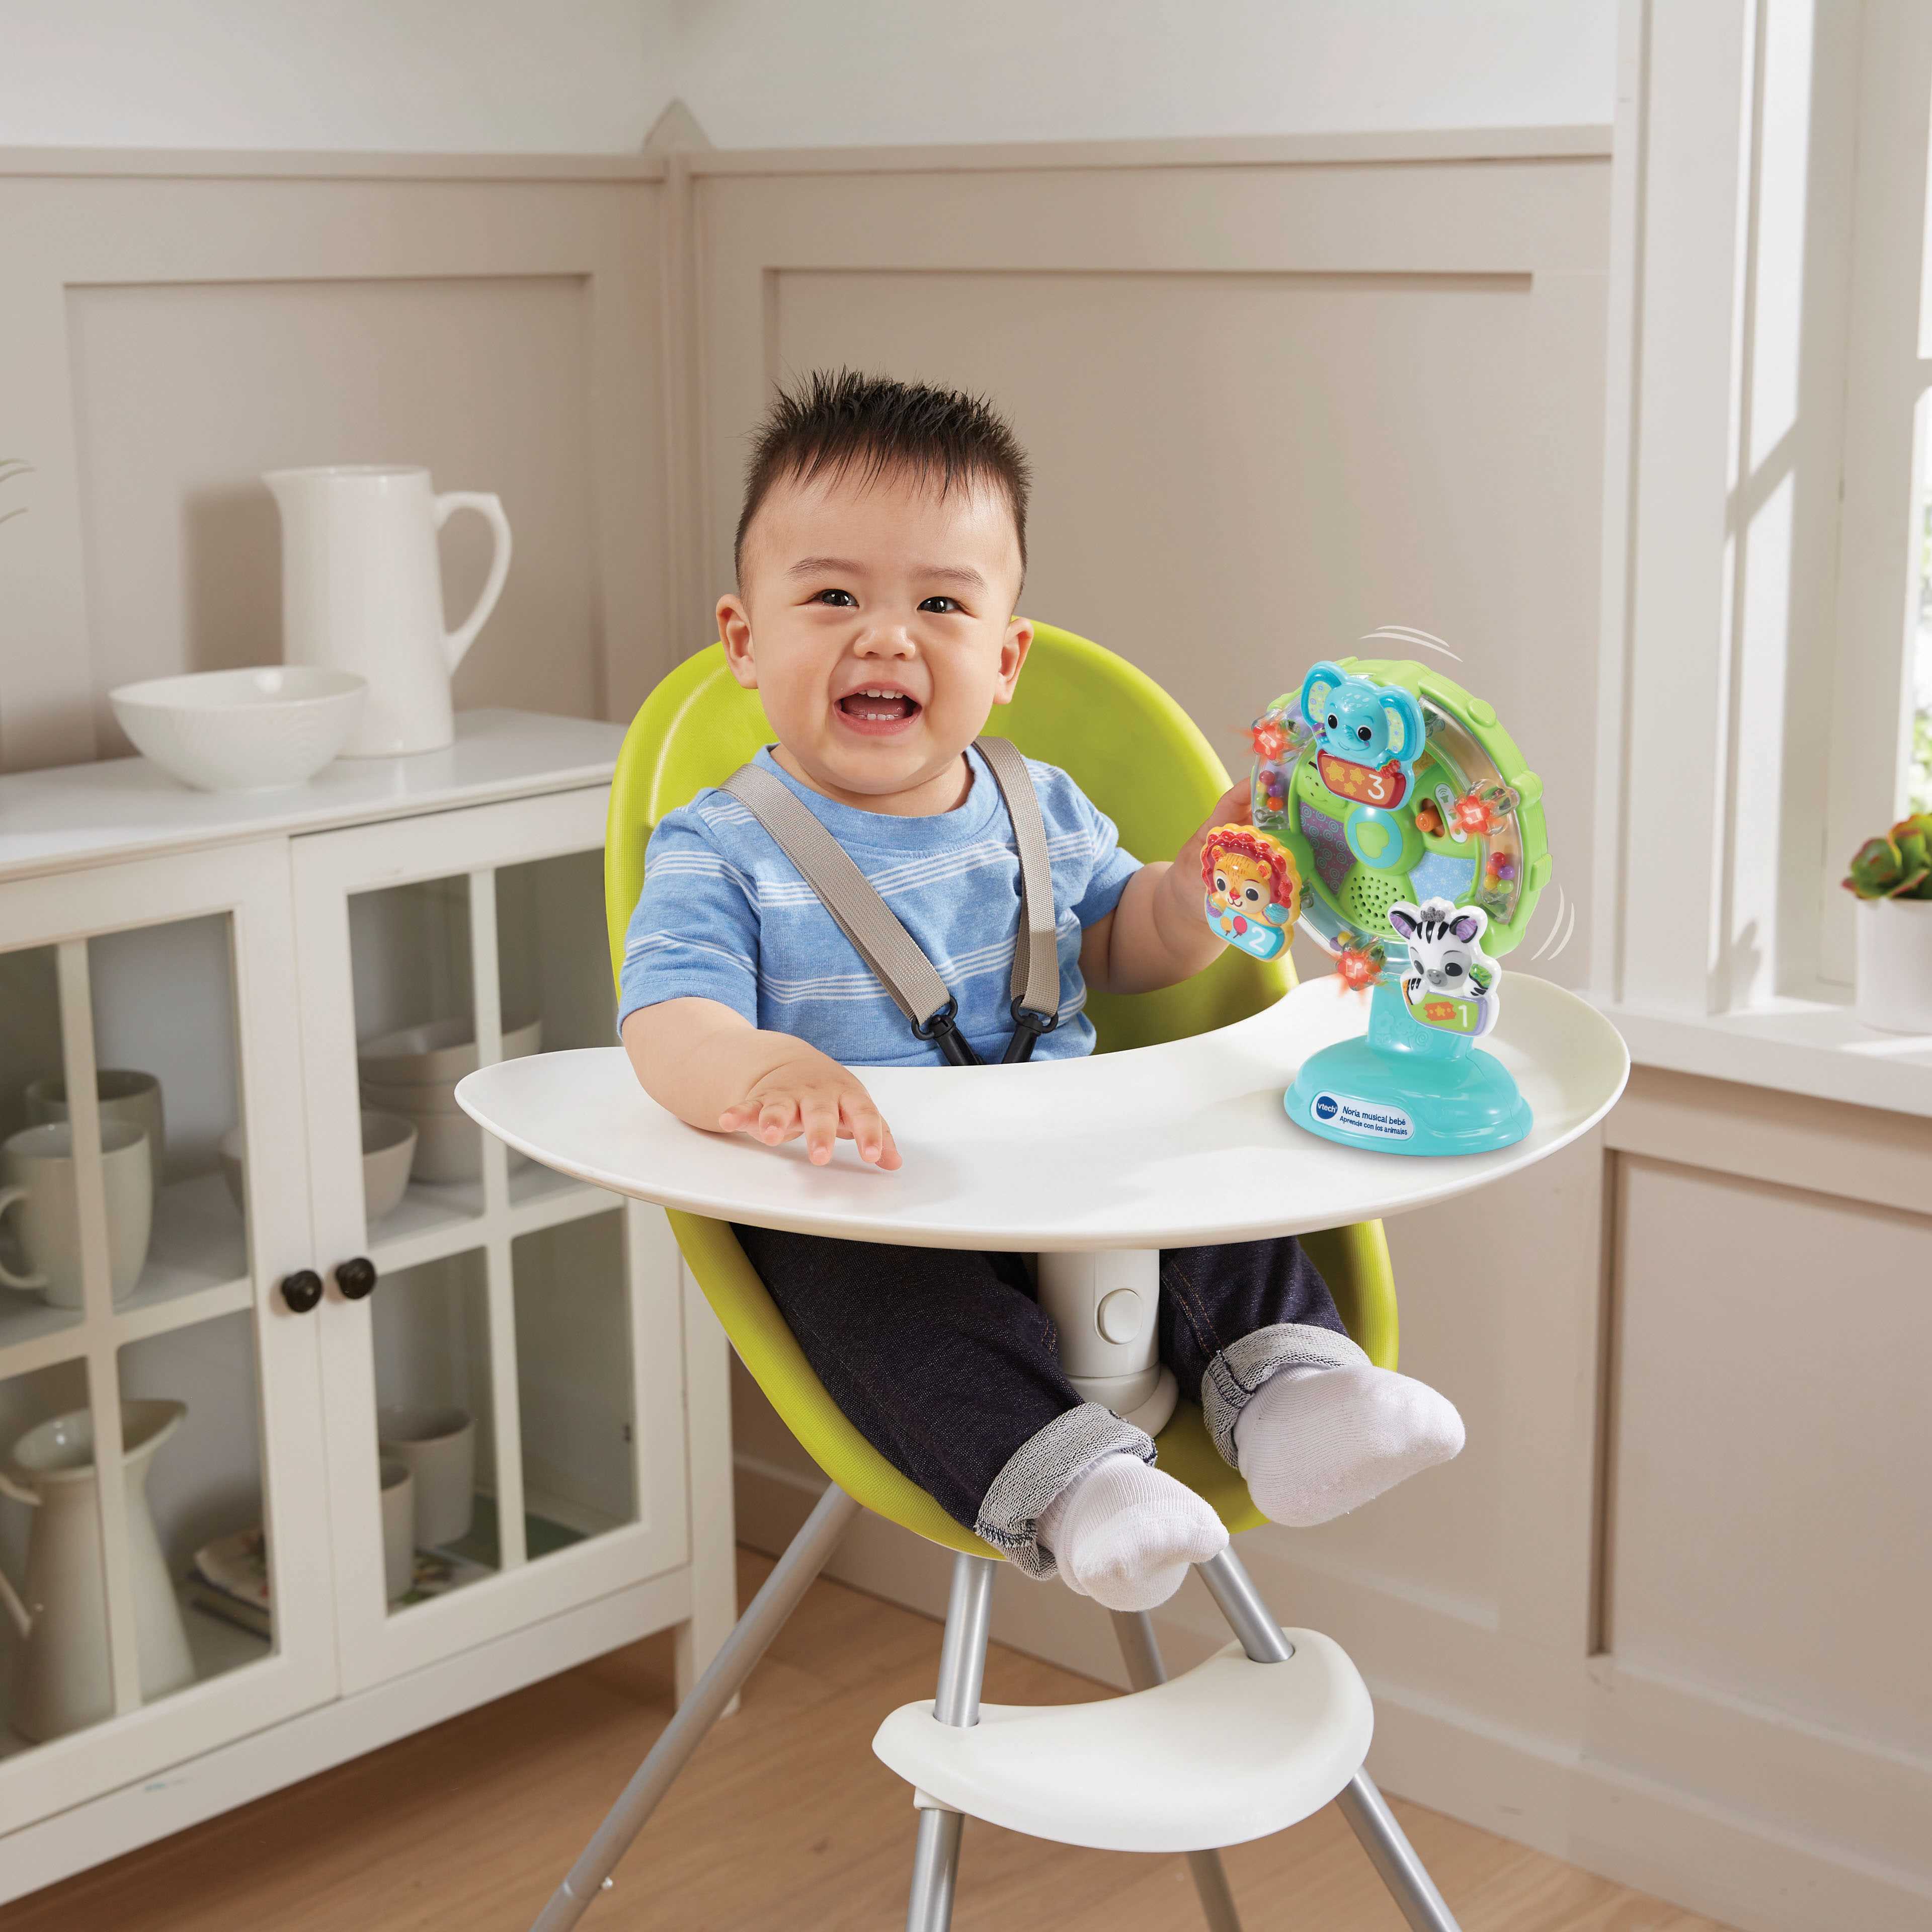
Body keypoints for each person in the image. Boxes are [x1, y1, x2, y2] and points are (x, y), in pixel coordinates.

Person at [619, 371, 1462, 1611]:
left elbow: (1126, 940)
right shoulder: (719, 846)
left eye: (940, 603)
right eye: (835, 595)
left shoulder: (1041, 804)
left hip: (1071, 1166)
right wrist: (768, 1070)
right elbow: (665, 1021)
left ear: (1005, 656)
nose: (887, 637)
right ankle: (1077, 1488)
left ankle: (1295, 1394)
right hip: (870, 1203)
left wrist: (1198, 887)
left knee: (1210, 1195)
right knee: (882, 1309)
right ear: (745, 640)